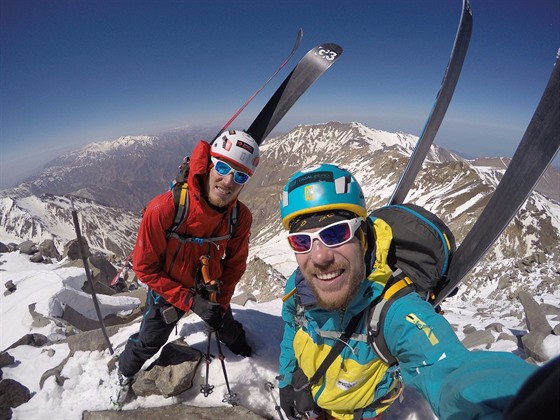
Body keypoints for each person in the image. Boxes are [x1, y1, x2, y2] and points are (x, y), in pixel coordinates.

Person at [277, 163, 538, 420]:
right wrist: (288, 381)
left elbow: (450, 370)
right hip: (312, 396)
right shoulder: (301, 285)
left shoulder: (395, 311)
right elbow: (293, 325)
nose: (320, 256)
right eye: (301, 241)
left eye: (336, 233)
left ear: (363, 236)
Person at [110, 129, 259, 410]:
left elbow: (235, 264)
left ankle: (252, 355)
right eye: (224, 168)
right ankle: (124, 374)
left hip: (211, 288)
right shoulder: (164, 208)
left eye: (240, 176)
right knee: (148, 342)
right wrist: (190, 301)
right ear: (210, 164)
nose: (228, 181)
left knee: (229, 332)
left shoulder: (240, 217)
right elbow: (145, 268)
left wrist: (220, 304)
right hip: (168, 289)